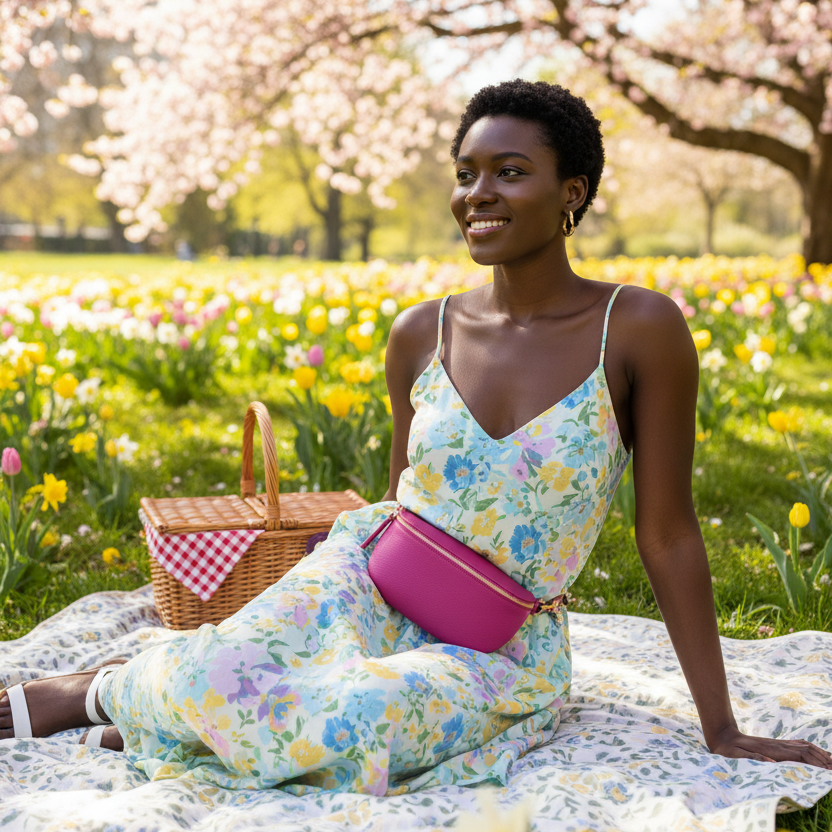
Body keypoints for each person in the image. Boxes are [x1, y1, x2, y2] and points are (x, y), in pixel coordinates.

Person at [2, 80, 830, 794]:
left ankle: (171, 718)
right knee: (224, 664)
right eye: (466, 174)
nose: (478, 194)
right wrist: (334, 617)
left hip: (498, 642)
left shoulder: (639, 328)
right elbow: (401, 498)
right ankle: (103, 692)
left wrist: (720, 726)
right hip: (371, 576)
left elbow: (669, 533)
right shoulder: (420, 332)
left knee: (357, 719)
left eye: (511, 172)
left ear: (572, 192)